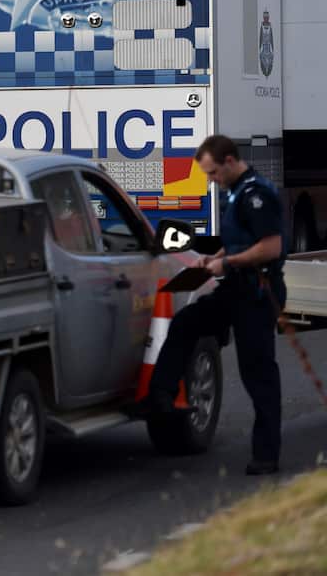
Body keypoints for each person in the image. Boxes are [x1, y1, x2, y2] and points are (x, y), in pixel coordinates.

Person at [129, 135, 286, 475]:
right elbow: (239, 241)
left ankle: (266, 454)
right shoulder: (236, 192)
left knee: (257, 374)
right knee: (186, 323)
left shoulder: (256, 195)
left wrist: (227, 264)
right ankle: (162, 396)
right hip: (236, 289)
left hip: (258, 293)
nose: (211, 180)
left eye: (213, 173)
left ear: (230, 161)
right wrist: (212, 258)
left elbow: (270, 247)